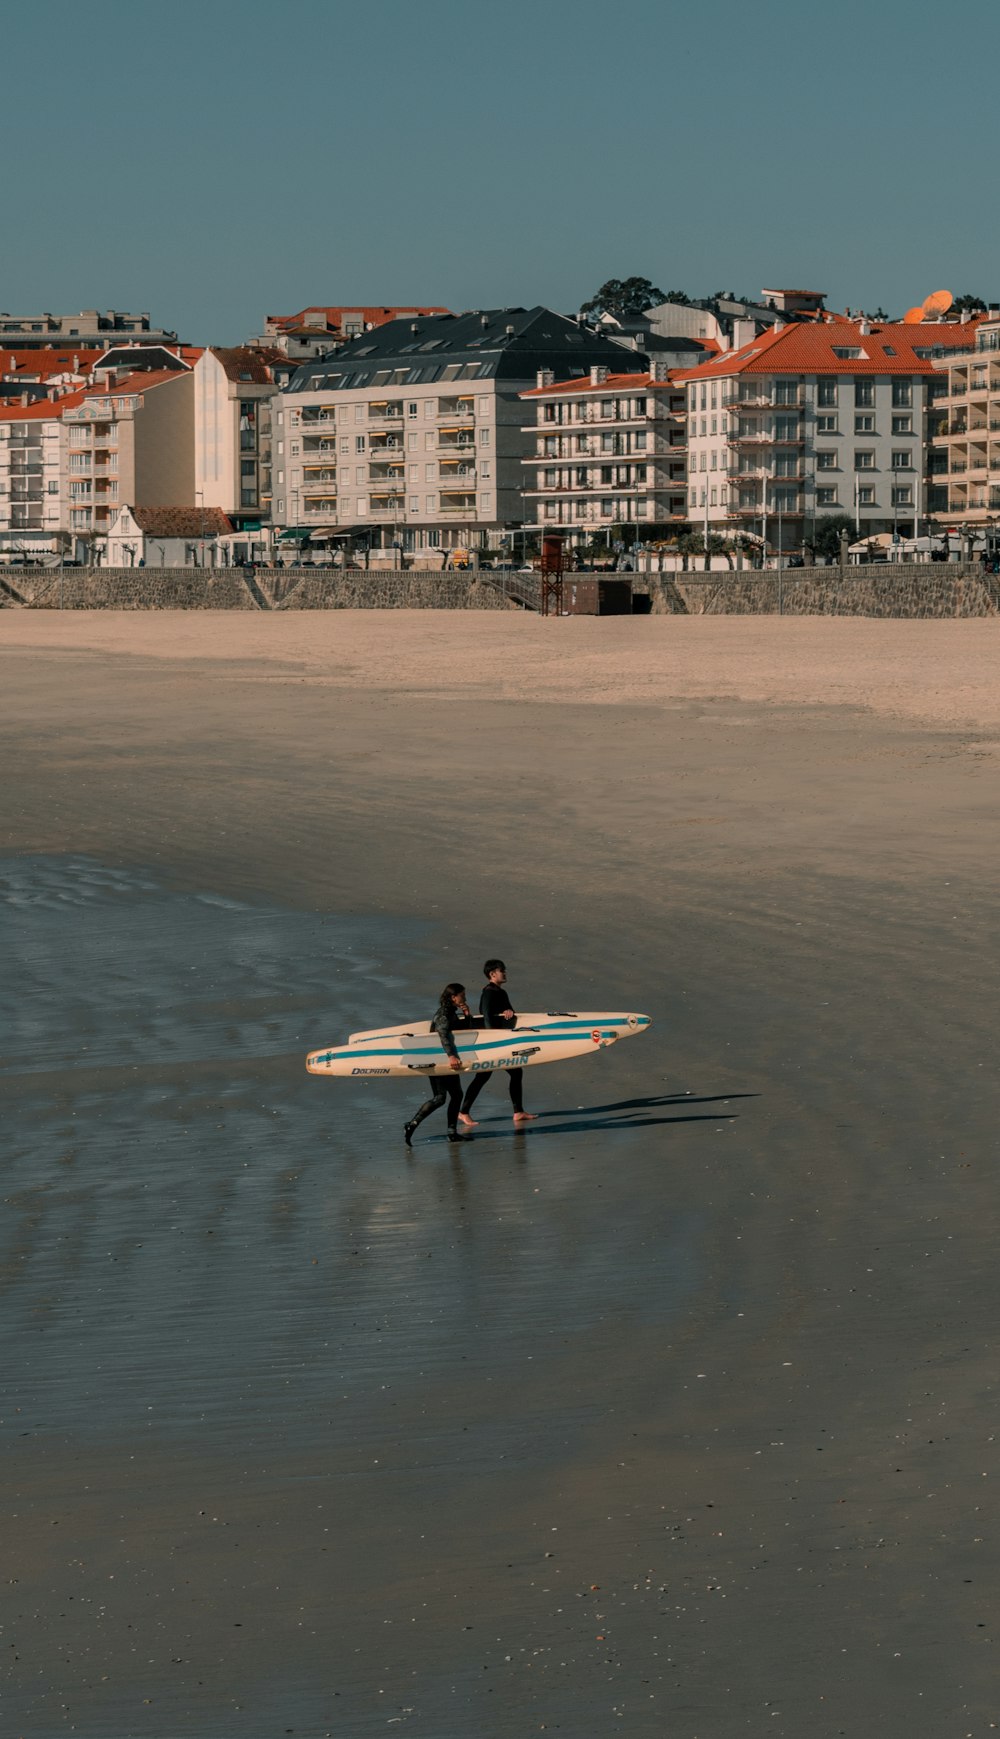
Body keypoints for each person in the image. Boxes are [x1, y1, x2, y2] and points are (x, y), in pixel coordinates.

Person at [459, 959, 538, 1127]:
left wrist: (509, 1011)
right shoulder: (489, 992)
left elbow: (507, 1011)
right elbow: (486, 1014)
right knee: (483, 1076)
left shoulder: (500, 992)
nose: (505, 973)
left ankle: (518, 1112)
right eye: (502, 970)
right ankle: (463, 1112)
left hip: (500, 1039)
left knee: (513, 1073)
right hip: (494, 1041)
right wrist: (493, 1040)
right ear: (492, 974)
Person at [404, 983, 476, 1145]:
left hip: (443, 1059)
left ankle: (452, 1132)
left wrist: (467, 1014)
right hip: (438, 1059)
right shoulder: (443, 1014)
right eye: (462, 995)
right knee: (439, 1098)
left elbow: (461, 1033)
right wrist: (451, 1056)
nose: (464, 998)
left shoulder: (451, 1012)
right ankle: (411, 1124)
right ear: (453, 997)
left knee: (456, 1095)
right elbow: (442, 1035)